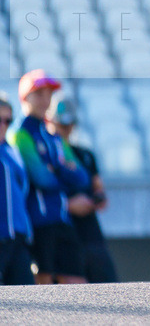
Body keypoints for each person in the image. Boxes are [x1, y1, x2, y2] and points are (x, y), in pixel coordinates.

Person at [8, 69, 89, 284]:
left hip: (62, 219)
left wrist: (56, 169)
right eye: (40, 93)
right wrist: (62, 169)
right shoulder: (19, 133)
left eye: (49, 94)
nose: (46, 99)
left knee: (78, 285)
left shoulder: (52, 134)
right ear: (25, 97)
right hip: (39, 222)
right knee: (43, 289)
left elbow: (82, 177)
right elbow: (41, 178)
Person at [45, 95, 119, 283]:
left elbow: (100, 191)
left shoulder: (85, 155)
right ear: (50, 122)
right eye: (62, 125)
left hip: (89, 233)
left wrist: (95, 200)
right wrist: (68, 205)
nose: (66, 130)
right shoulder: (44, 156)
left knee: (107, 287)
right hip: (59, 232)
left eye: (70, 125)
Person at [0, 93, 35, 285]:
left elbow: (23, 190)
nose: (3, 125)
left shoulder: (12, 152)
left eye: (8, 120)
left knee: (27, 298)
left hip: (18, 239)